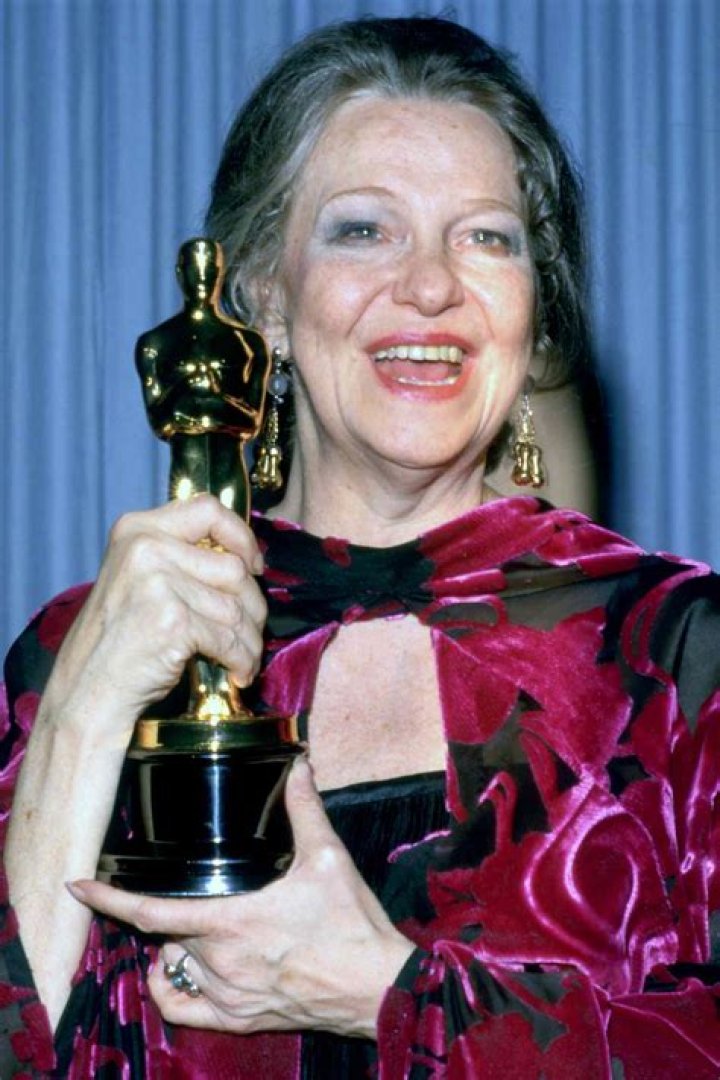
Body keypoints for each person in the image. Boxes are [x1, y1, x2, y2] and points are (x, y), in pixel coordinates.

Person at [1, 14, 718, 1078]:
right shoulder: (80, 649)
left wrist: (389, 995)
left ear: (533, 312)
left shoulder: (672, 654)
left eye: (486, 237)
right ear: (264, 296)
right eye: (363, 230)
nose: (430, 286)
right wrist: (80, 710)